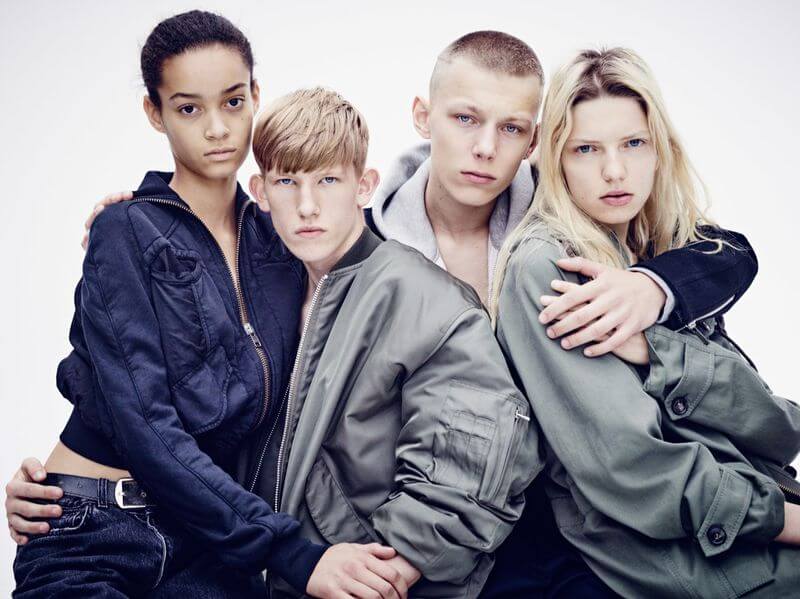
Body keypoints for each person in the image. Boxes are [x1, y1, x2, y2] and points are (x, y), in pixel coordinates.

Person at [7, 30, 762, 598]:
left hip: (571, 513)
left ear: (534, 141)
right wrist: (141, 218)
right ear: (424, 117)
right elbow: (212, 343)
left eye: (509, 129)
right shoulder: (331, 243)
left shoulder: (563, 227)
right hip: (396, 537)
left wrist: (653, 286)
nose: (484, 148)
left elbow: (726, 249)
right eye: (465, 119)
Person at [10, 11, 407, 598]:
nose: (218, 128)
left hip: (212, 540)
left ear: (255, 97)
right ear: (155, 113)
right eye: (189, 108)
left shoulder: (286, 235)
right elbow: (145, 424)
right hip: (94, 530)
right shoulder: (125, 231)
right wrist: (295, 555)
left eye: (233, 101)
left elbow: (416, 229)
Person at [490, 46, 800, 598]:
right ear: (553, 158)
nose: (615, 171)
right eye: (586, 149)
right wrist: (787, 521)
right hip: (691, 562)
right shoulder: (548, 266)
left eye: (633, 143)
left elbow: (776, 430)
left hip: (754, 521)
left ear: (660, 149)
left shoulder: (661, 250)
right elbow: (632, 467)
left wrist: (655, 345)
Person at [243, 86, 539, 597]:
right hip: (267, 571)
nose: (307, 206)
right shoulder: (259, 284)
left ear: (365, 186)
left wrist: (387, 574)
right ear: (261, 191)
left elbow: (474, 461)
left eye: (328, 180)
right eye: (288, 181)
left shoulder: (428, 300)